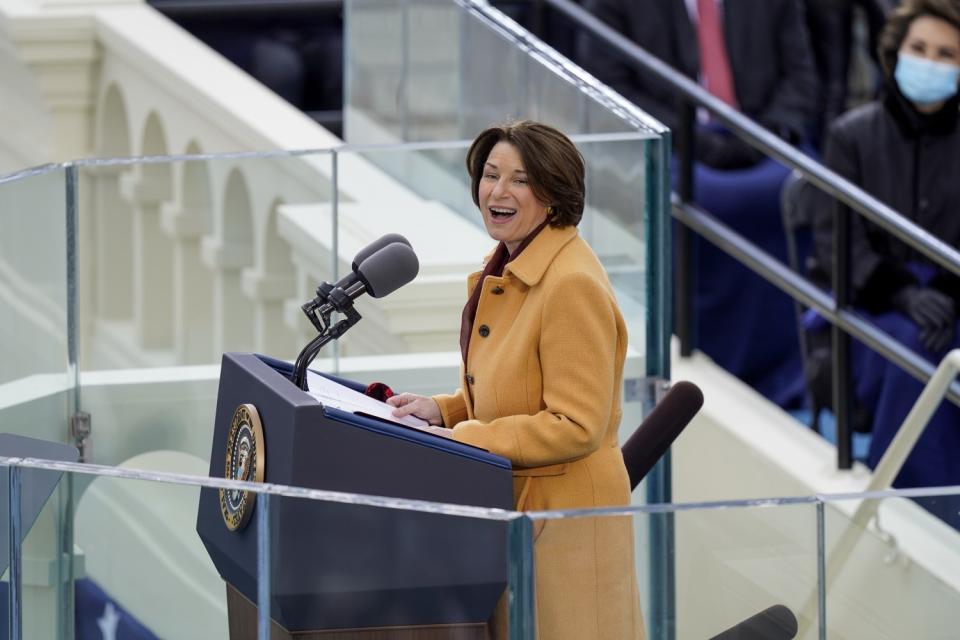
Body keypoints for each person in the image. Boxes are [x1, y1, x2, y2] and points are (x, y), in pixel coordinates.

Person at [386, 121, 645, 640]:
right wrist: (446, 411)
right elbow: (515, 391)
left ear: (553, 194)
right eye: (490, 175)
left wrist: (462, 440)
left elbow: (575, 423)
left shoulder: (570, 283)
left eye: (520, 180)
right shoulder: (510, 262)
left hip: (564, 528)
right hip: (518, 514)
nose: (498, 192)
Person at [810, 0, 960, 526]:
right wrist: (903, 293)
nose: (931, 61)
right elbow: (836, 243)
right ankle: (923, 510)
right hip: (873, 303)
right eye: (919, 49)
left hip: (952, 296)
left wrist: (947, 291)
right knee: (918, 356)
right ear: (894, 53)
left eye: (947, 54)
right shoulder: (851, 134)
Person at [581, 0, 819, 170]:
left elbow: (801, 78)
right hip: (671, 145)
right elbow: (610, 88)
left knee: (815, 191)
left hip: (763, 138)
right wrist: (688, 139)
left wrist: (765, 135)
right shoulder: (613, 5)